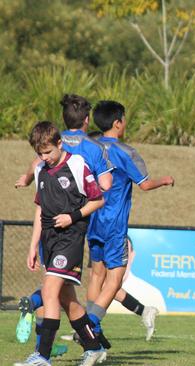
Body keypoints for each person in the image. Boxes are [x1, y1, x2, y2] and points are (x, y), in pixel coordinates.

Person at [15, 94, 114, 353]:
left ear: (59, 143)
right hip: (49, 239)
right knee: (67, 300)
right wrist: (32, 246)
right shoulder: (41, 170)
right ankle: (94, 348)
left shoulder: (78, 164)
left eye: (48, 152)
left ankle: (42, 355)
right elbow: (40, 210)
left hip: (70, 237)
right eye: (40, 153)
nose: (44, 157)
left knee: (49, 291)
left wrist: (73, 216)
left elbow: (99, 199)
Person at [83, 100, 174, 346]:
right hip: (114, 225)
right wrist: (164, 180)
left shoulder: (88, 147)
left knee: (96, 278)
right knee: (114, 279)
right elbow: (144, 184)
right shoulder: (126, 152)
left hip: (92, 221)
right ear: (118, 123)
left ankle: (92, 331)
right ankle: (90, 327)